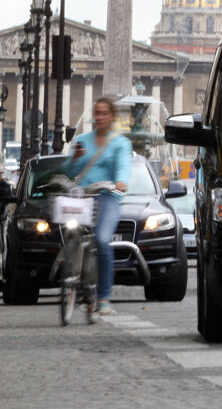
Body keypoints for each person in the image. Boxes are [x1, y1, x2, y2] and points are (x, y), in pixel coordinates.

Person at [60, 97, 131, 316]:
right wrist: (74, 160)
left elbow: (122, 168)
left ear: (112, 117)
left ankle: (104, 296)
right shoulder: (82, 140)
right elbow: (67, 171)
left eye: (104, 113)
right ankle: (70, 276)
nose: (99, 117)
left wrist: (120, 182)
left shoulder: (121, 143)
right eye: (97, 113)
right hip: (82, 196)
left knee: (101, 239)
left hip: (108, 196)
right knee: (71, 233)